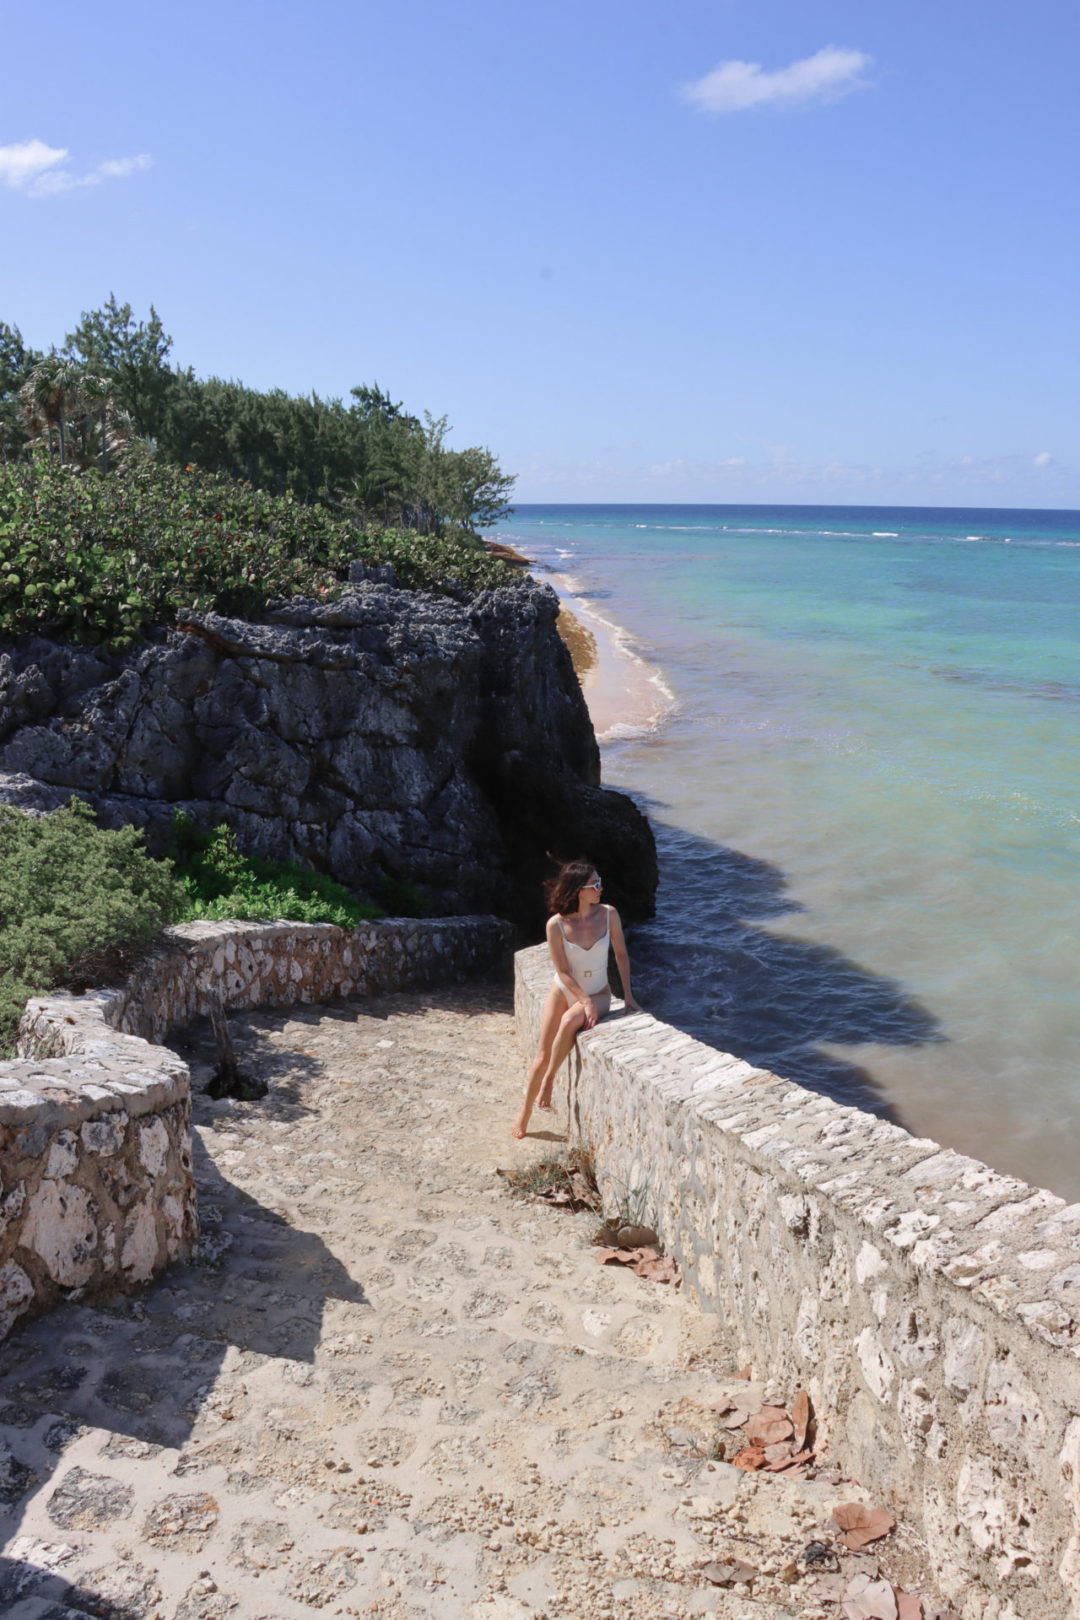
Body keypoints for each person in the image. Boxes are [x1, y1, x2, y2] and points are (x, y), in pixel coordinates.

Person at [512, 859, 641, 1139]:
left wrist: (628, 996)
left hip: (601, 993)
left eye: (600, 881)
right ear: (578, 890)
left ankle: (549, 1082)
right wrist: (583, 1000)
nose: (600, 888)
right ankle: (524, 1114)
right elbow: (562, 971)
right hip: (564, 990)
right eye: (595, 884)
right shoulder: (555, 925)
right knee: (541, 1055)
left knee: (571, 1020)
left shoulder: (609, 914)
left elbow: (620, 955)